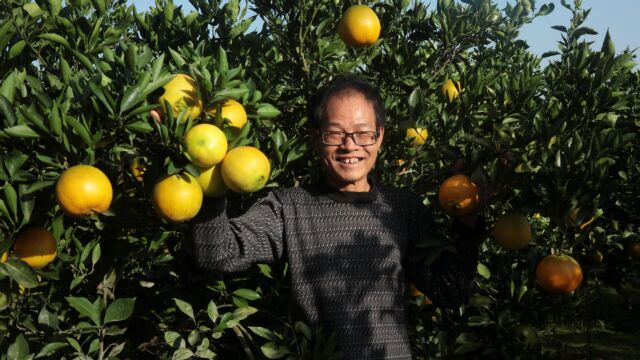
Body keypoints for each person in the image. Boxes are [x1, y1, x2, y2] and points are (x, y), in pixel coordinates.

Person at [191, 75, 485, 359]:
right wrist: (212, 180)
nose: (350, 145)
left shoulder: (403, 208)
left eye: (363, 133)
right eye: (335, 133)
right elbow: (217, 254)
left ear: (379, 136)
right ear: (317, 138)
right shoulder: (289, 208)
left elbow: (449, 293)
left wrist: (468, 215)